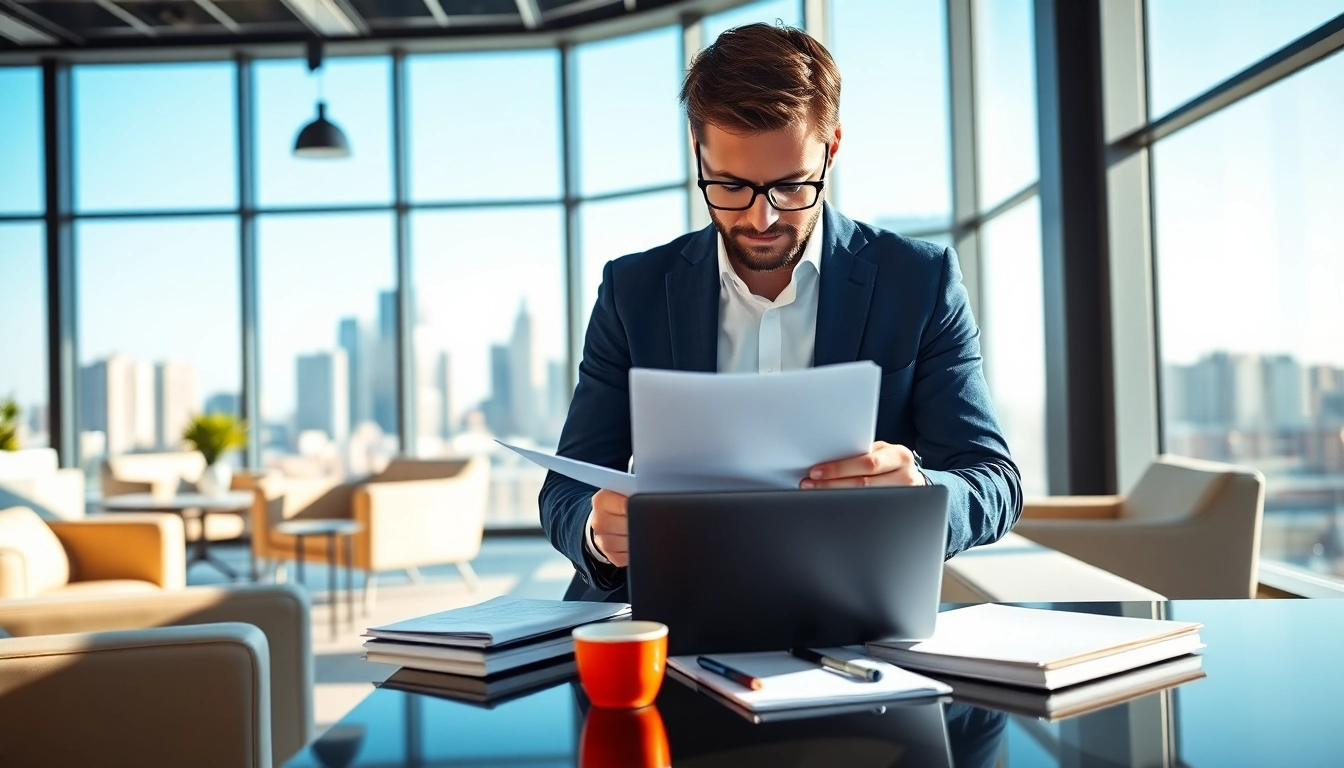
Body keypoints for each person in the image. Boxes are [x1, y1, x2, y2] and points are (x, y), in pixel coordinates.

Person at [540, 23, 1022, 603]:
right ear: (698, 152)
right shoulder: (633, 289)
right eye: (731, 186)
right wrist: (598, 533)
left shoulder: (919, 282)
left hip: (850, 612)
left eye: (792, 187)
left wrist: (918, 492)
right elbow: (567, 484)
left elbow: (993, 480)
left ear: (832, 149)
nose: (761, 219)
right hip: (657, 616)